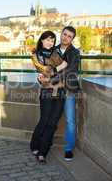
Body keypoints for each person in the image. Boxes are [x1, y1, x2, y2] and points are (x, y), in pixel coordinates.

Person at [38, 26, 80, 161]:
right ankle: (44, 145)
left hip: (68, 89)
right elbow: (46, 67)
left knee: (70, 120)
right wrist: (42, 77)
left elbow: (70, 70)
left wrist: (51, 77)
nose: (66, 38)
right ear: (61, 34)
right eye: (64, 34)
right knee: (50, 119)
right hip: (52, 89)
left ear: (72, 39)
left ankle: (68, 149)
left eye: (69, 36)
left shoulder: (74, 52)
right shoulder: (53, 49)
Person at [30, 31, 66, 163]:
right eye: (48, 39)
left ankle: (42, 151)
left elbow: (65, 66)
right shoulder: (36, 54)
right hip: (46, 91)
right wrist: (55, 69)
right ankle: (34, 145)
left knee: (52, 123)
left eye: (52, 40)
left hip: (60, 90)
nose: (50, 42)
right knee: (44, 120)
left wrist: (53, 70)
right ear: (42, 40)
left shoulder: (55, 53)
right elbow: (44, 70)